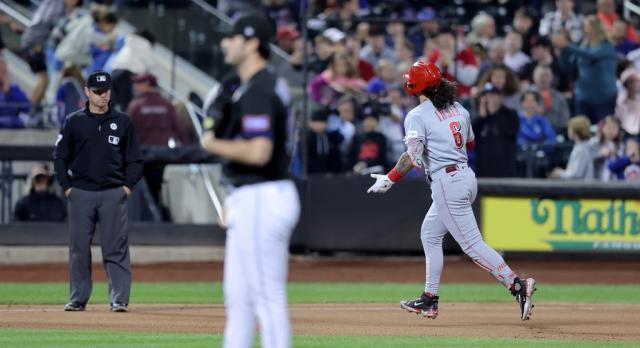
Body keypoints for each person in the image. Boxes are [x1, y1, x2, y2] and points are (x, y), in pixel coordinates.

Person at [367, 61, 536, 321]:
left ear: (414, 86)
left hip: (447, 182)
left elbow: (411, 156)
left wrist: (389, 179)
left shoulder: (417, 115)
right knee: (430, 234)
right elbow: (469, 144)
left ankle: (516, 284)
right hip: (465, 176)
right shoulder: (459, 108)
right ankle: (429, 299)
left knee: (471, 245)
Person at [200, 14, 300, 348]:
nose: (225, 43)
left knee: (265, 296)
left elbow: (259, 152)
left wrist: (212, 142)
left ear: (253, 43)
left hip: (263, 194)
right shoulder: (254, 86)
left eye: (233, 37)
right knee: (239, 300)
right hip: (251, 194)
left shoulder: (259, 89)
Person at [53, 70, 143, 313]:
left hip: (113, 192)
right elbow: (60, 156)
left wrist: (127, 186)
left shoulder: (123, 121)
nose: (103, 96)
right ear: (87, 93)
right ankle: (78, 298)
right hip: (80, 191)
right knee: (79, 248)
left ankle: (119, 299)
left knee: (116, 247)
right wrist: (66, 186)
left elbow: (135, 159)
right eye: (98, 92)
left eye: (106, 91)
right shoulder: (74, 121)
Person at [553, 16, 618, 124]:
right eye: (584, 27)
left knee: (604, 130)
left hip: (604, 97)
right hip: (583, 97)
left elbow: (591, 55)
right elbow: (568, 68)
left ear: (597, 28)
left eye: (588, 27)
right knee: (583, 130)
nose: (585, 30)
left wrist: (567, 45)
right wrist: (562, 53)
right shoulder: (582, 47)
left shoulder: (607, 46)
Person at [472, 83, 520, 178]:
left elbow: (511, 131)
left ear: (500, 97)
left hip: (505, 171)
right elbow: (471, 139)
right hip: (483, 172)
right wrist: (481, 118)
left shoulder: (510, 114)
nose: (488, 99)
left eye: (492, 95)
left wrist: (494, 113)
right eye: (486, 96)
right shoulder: (479, 118)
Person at [0, 57, 30, 128]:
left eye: (4, 71)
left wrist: (7, 91)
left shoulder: (14, 88)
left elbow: (27, 107)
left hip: (14, 132)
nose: (2, 74)